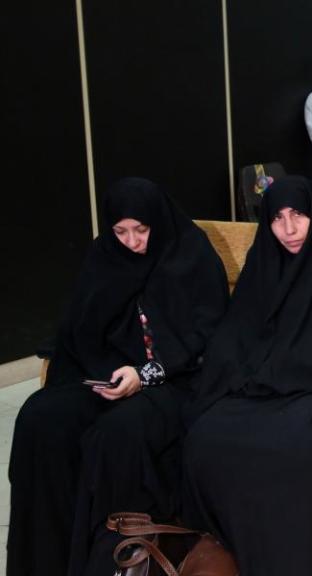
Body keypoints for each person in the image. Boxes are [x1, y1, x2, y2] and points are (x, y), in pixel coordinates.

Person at [8, 178, 229, 575]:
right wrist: (106, 376)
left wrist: (145, 374)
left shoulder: (189, 253)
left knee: (117, 436)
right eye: (120, 231)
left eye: (141, 230)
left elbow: (207, 334)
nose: (131, 242)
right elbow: (80, 329)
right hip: (108, 377)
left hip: (176, 381)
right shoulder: (104, 256)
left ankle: (105, 562)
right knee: (41, 420)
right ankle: (44, 563)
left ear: (157, 224)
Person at [181, 176, 312, 575]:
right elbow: (236, 334)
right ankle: (232, 554)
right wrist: (246, 375)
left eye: (298, 215)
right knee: (206, 435)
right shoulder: (266, 260)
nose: (288, 229)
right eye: (276, 218)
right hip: (263, 386)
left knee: (304, 448)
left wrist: (274, 374)